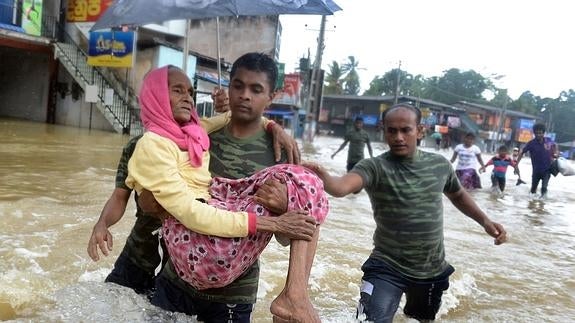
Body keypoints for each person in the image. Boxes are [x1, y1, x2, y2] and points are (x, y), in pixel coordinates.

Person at [131, 58, 328, 322]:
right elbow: (155, 201)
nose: (245, 96)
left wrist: (282, 207)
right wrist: (145, 201)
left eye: (256, 90)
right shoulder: (194, 134)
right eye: (238, 86)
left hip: (234, 293)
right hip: (175, 280)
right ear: (229, 88)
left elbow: (287, 234)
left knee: (308, 183)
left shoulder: (281, 154)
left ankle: (295, 295)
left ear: (271, 97)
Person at [87, 75, 304, 297]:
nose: (187, 99)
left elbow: (233, 119)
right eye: (177, 91)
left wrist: (272, 125)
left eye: (190, 93)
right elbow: (119, 196)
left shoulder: (201, 139)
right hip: (141, 255)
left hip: (183, 266)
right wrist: (102, 224)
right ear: (156, 98)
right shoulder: (139, 146)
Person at [303, 103, 507, 323]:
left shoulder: (439, 165)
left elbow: (458, 195)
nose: (398, 137)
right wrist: (323, 175)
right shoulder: (374, 167)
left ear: (420, 131)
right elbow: (341, 187)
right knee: (370, 321)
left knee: (418, 319)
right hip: (386, 266)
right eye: (392, 130)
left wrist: (485, 221)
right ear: (384, 131)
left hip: (430, 270)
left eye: (406, 130)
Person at [516, 123, 559, 199]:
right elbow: (522, 152)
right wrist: (516, 165)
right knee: (533, 190)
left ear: (543, 133)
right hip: (536, 171)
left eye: (540, 133)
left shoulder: (548, 141)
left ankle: (542, 206)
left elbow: (555, 145)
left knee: (544, 188)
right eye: (537, 133)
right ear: (534, 133)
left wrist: (556, 153)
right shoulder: (531, 143)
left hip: (547, 170)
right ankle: (532, 205)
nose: (538, 135)